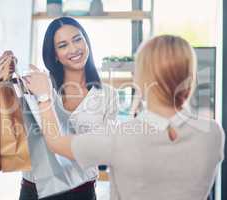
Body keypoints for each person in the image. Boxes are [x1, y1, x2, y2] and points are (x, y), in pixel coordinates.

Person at [25, 35, 225, 200]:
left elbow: (56, 142)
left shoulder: (120, 138)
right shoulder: (213, 134)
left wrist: (44, 97)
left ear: (141, 79)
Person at [0, 17, 118, 199]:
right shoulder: (33, 85)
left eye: (77, 39)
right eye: (63, 45)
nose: (74, 49)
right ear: (55, 54)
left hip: (82, 193)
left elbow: (101, 151)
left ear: (86, 40)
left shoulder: (108, 95)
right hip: (35, 191)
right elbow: (4, 128)